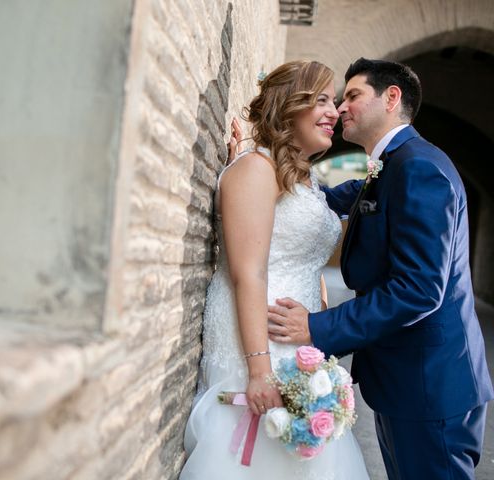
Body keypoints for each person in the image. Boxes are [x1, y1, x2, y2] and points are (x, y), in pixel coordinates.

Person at [267, 58, 494, 479]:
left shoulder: (420, 168)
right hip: (405, 385)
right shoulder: (389, 166)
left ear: (391, 98)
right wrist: (268, 157)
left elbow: (418, 289)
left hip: (432, 389)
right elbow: (322, 198)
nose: (341, 107)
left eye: (353, 95)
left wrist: (317, 328)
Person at [179, 60, 369, 479]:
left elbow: (300, 254)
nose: (334, 112)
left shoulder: (303, 178)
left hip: (298, 344)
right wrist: (260, 371)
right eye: (321, 100)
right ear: (289, 106)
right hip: (259, 343)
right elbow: (249, 274)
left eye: (333, 101)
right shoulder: (254, 171)